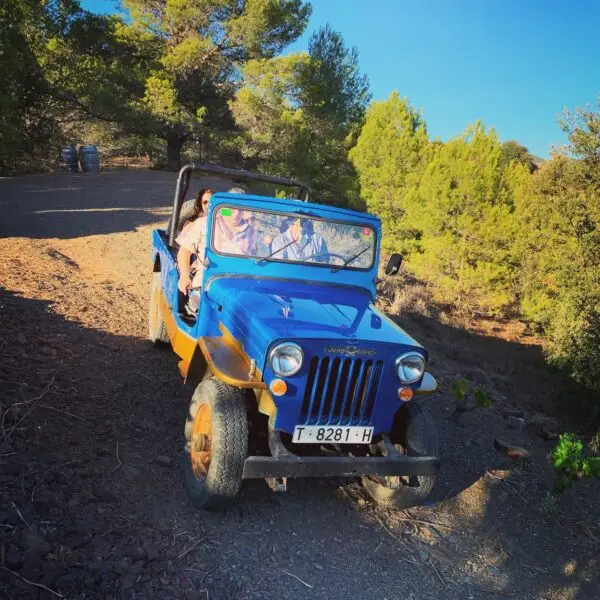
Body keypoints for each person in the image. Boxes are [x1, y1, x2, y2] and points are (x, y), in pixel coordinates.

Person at [176, 188, 213, 315]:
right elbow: (184, 249)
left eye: (212, 201)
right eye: (205, 202)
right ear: (200, 205)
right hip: (203, 272)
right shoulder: (198, 223)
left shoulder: (226, 219)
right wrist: (185, 275)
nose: (209, 205)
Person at [213, 187, 257, 255]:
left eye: (240, 209)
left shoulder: (251, 230)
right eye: (233, 208)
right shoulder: (212, 222)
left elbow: (254, 256)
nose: (237, 214)